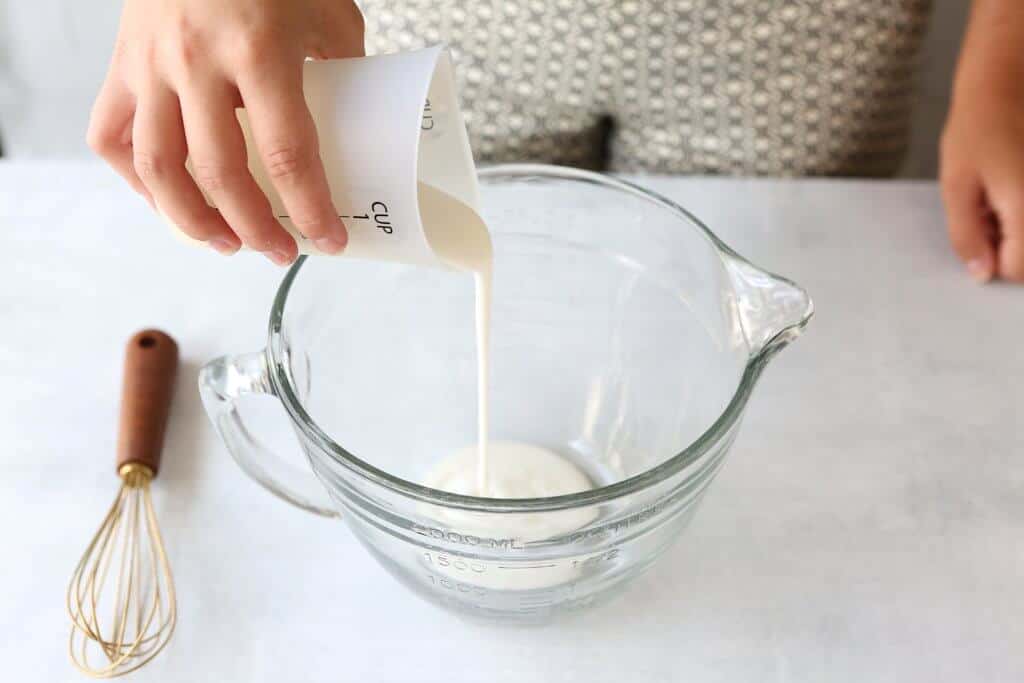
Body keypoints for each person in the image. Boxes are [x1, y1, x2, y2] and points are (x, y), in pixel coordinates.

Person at [87, 0, 1024, 283]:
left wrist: (1006, 58)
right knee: (434, 297)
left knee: (746, 278)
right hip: (445, 25)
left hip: (798, 36)